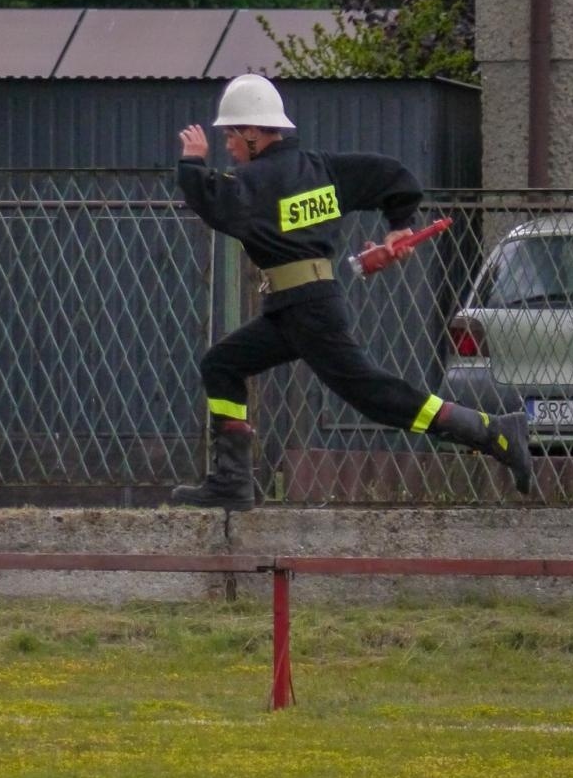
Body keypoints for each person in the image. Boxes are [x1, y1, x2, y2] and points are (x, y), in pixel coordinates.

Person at [170, 73, 532, 510]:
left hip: (308, 311)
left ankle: (492, 431)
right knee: (222, 364)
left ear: (252, 133)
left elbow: (214, 202)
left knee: (375, 397)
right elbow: (394, 176)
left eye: (231, 134)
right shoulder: (323, 168)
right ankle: (232, 482)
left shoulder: (260, 180)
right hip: (297, 307)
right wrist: (398, 226)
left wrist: (192, 162)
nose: (227, 143)